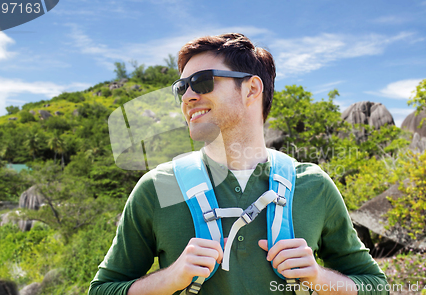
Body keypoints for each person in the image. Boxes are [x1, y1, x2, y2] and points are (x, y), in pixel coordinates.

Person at [89, 33, 388, 295]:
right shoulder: (159, 187)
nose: (188, 97)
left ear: (252, 90)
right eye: (181, 88)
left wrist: (318, 276)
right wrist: (168, 279)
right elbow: (102, 289)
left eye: (202, 82)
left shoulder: (313, 185)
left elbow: (375, 285)